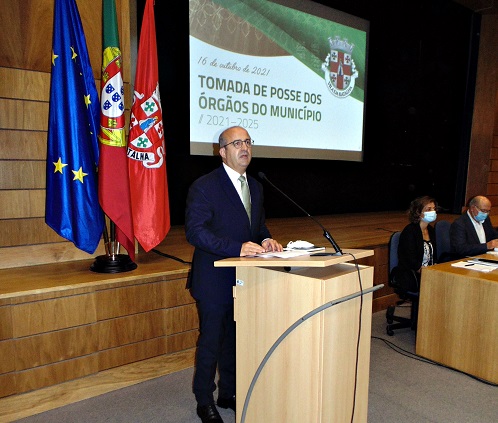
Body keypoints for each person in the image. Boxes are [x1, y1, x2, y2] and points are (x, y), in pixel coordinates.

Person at [185, 126, 283, 423]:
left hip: (243, 279)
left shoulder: (255, 186)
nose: (245, 148)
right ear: (222, 151)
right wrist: (236, 247)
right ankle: (204, 400)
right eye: (237, 143)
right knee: (212, 342)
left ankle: (228, 392)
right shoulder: (204, 186)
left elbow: (258, 227)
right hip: (213, 278)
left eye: (248, 142)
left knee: (235, 340)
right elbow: (195, 232)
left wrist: (266, 239)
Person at [392, 196, 438, 292]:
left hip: (428, 272)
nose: (433, 212)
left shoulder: (431, 230)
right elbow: (410, 260)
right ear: (419, 212)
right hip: (412, 274)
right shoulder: (410, 231)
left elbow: (434, 255)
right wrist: (427, 274)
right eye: (428, 209)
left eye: (434, 209)